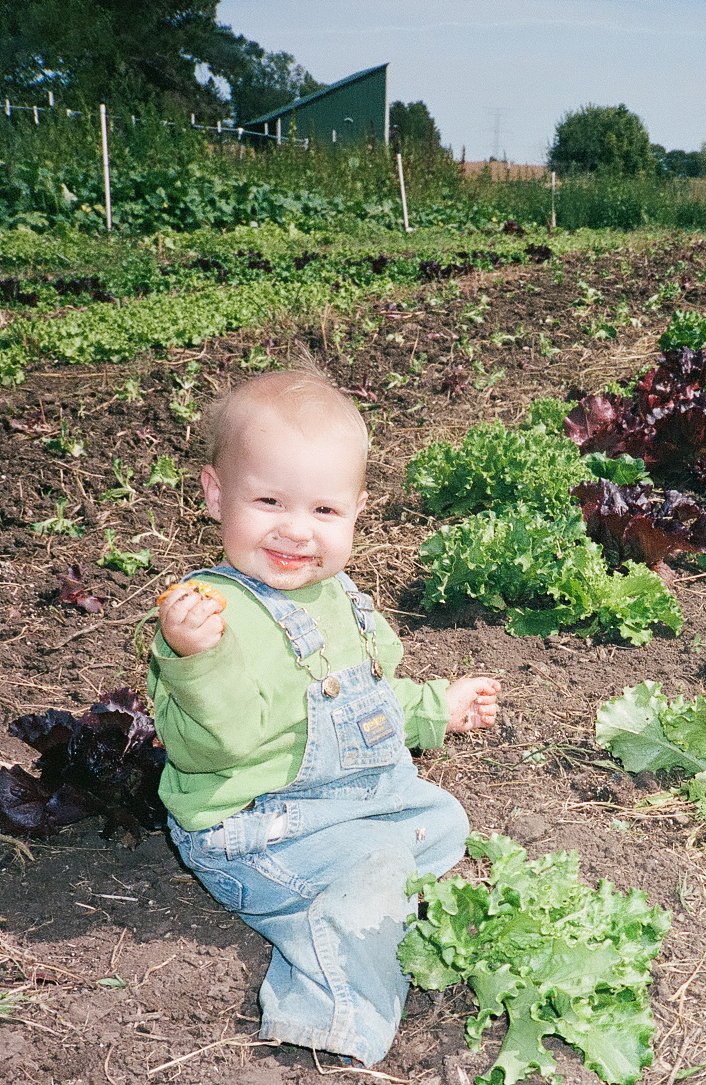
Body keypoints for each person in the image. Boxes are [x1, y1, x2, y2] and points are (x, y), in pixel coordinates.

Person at [148, 368, 500, 1066]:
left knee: (443, 819)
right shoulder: (212, 618)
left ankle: (364, 885)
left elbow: (370, 698)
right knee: (375, 871)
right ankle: (329, 1018)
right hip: (253, 829)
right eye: (269, 501)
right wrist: (196, 661)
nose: (295, 530)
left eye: (324, 511)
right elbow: (215, 746)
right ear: (215, 494)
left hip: (346, 805)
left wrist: (437, 707)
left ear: (356, 512)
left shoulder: (339, 595)